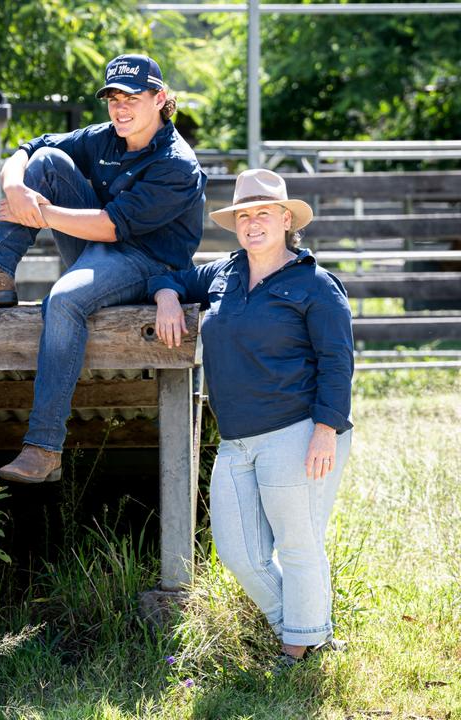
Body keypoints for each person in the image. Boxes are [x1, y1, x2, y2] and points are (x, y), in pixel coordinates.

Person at [0, 54, 206, 484]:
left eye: (132, 97)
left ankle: (44, 447)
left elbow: (112, 227)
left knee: (62, 301)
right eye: (113, 97)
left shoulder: (177, 164)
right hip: (98, 249)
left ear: (160, 98)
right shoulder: (107, 138)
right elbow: (31, 147)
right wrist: (16, 189)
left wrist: (38, 213)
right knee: (46, 165)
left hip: (149, 265)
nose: (120, 107)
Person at [151, 169, 354, 667]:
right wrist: (168, 297)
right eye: (244, 215)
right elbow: (165, 273)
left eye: (264, 213)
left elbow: (338, 361)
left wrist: (325, 431)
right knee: (238, 551)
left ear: (286, 219)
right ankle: (309, 631)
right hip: (237, 438)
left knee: (298, 543)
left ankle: (295, 651)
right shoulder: (225, 273)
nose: (253, 223)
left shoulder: (314, 284)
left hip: (300, 430)